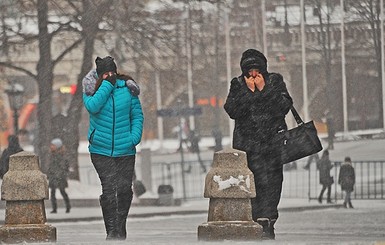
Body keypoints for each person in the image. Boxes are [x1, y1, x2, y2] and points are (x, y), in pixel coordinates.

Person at [224, 49, 293, 239]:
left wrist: (264, 90)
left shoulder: (275, 81)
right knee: (252, 183)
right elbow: (231, 110)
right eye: (250, 71)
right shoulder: (238, 84)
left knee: (273, 182)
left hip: (272, 144)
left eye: (257, 70)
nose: (253, 75)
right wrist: (250, 94)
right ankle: (257, 220)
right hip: (248, 146)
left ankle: (269, 219)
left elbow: (283, 106)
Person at [82, 56, 143, 240]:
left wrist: (133, 138)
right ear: (100, 75)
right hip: (101, 150)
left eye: (112, 73)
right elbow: (93, 107)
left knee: (124, 189)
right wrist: (107, 85)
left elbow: (137, 115)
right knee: (109, 189)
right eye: (106, 74)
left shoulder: (128, 89)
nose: (110, 76)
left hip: (126, 149)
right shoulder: (91, 90)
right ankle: (111, 231)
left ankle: (120, 225)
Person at [48, 138, 71, 214]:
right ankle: (54, 208)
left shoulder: (61, 156)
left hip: (60, 176)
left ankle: (68, 206)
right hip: (54, 176)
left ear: (57, 146)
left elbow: (64, 166)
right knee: (53, 193)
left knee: (62, 191)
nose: (51, 146)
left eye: (53, 145)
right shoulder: (52, 155)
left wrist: (60, 174)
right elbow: (51, 166)